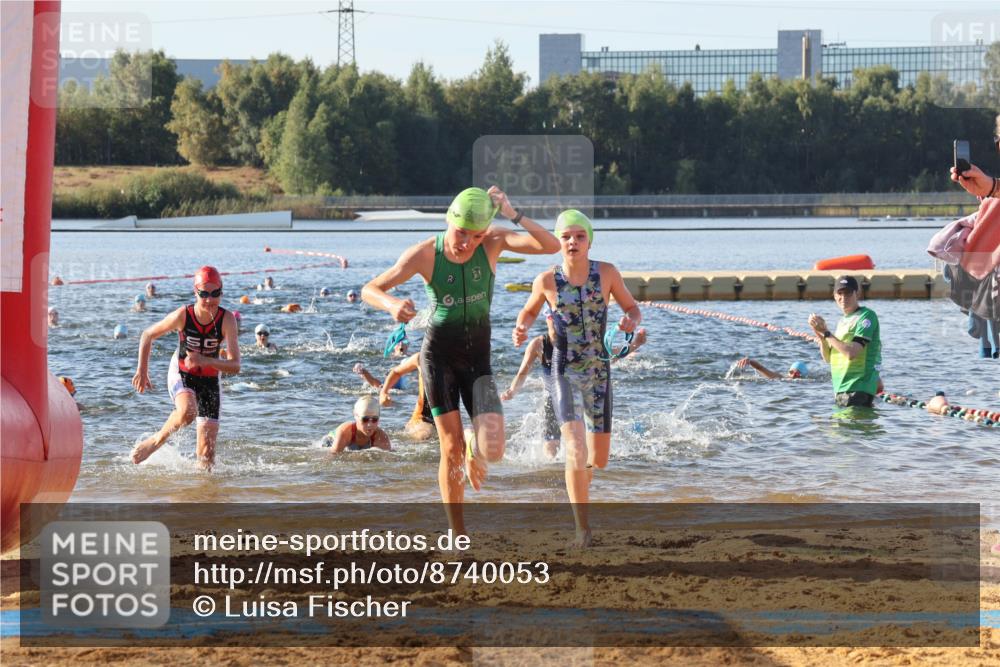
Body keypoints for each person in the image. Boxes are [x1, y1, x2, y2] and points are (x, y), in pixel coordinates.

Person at [362, 185, 559, 535]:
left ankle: (473, 442)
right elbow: (371, 289)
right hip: (438, 360)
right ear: (448, 221)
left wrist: (513, 214)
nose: (467, 243)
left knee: (494, 450)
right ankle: (457, 533)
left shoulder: (494, 243)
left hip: (477, 361)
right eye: (461, 233)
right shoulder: (424, 254)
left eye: (476, 235)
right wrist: (392, 305)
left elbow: (551, 246)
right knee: (449, 449)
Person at [512, 209, 641, 547]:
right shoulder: (546, 281)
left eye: (579, 236)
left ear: (589, 241)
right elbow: (528, 310)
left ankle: (579, 489)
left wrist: (631, 320)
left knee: (597, 458)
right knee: (575, 447)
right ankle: (582, 528)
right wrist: (522, 325)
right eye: (566, 236)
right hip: (563, 370)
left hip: (599, 370)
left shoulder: (608, 273)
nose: (572, 242)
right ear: (559, 241)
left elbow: (633, 307)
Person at [130, 266, 241, 470]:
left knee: (206, 458)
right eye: (204, 294)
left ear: (222, 293)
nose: (209, 300)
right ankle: (155, 441)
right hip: (182, 372)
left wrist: (206, 361)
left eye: (215, 294)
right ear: (195, 293)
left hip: (209, 379)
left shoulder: (227, 320)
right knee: (187, 412)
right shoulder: (184, 315)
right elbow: (147, 335)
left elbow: (235, 365)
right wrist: (142, 370)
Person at [808, 275, 882, 408]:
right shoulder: (842, 321)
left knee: (850, 428)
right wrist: (820, 334)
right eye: (839, 293)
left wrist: (826, 333)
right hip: (841, 389)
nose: (843, 298)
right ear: (834, 296)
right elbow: (828, 358)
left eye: (848, 293)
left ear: (857, 293)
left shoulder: (866, 316)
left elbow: (851, 353)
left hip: (858, 389)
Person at [377, 353, 436, 441]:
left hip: (446, 418)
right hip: (422, 420)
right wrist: (383, 393)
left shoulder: (457, 358)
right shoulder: (421, 357)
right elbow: (396, 372)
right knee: (425, 435)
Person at [321, 396, 391, 453]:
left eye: (374, 419)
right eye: (365, 419)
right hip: (331, 442)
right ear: (356, 416)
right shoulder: (345, 432)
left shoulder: (381, 438)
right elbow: (332, 458)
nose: (370, 424)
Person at [736, 357, 809, 380]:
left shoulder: (807, 382)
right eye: (791, 372)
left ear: (803, 375)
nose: (793, 375)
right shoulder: (780, 377)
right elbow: (760, 368)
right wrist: (750, 361)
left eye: (797, 373)